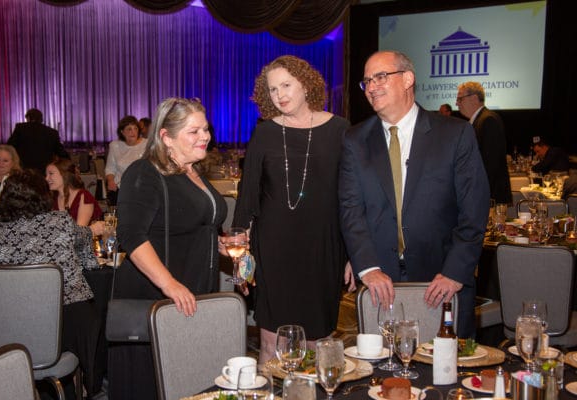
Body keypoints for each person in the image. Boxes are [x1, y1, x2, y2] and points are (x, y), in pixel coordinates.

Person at [339, 50, 489, 338]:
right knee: (383, 364)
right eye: (367, 81)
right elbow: (350, 209)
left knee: (445, 363)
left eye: (380, 77)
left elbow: (474, 210)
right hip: (380, 284)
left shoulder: (454, 134)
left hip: (441, 281)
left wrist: (455, 272)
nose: (371, 87)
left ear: (407, 79)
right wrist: (366, 266)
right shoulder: (355, 140)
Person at [233, 55, 356, 363]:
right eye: (273, 89)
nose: (280, 95)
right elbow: (247, 198)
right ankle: (271, 389)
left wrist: (354, 253)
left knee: (316, 342)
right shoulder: (265, 133)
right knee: (271, 343)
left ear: (306, 84)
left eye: (286, 85)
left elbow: (353, 198)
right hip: (272, 250)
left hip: (323, 248)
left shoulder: (340, 129)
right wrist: (241, 258)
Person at [108, 98, 228, 400]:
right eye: (194, 131)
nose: (205, 137)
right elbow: (131, 235)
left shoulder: (192, 171)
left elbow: (187, 225)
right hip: (156, 296)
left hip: (193, 290)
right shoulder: (144, 172)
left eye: (206, 129)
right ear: (166, 137)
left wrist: (219, 244)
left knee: (188, 380)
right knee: (154, 383)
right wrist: (169, 284)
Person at [0, 169, 105, 397]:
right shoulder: (60, 222)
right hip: (62, 323)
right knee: (92, 312)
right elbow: (87, 251)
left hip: (9, 329)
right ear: (43, 196)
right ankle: (87, 385)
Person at [456, 81, 512, 205]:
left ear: (474, 98)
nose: (456, 103)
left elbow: (490, 164)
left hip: (491, 197)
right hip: (484, 195)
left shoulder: (488, 120)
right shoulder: (478, 121)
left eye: (460, 99)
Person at [7, 108, 69, 175]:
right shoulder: (52, 132)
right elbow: (61, 152)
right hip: (44, 170)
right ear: (41, 119)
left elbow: (9, 146)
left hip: (24, 169)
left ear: (28, 118)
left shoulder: (20, 128)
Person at [104, 115, 147, 206]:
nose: (133, 132)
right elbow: (110, 168)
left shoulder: (147, 144)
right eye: (129, 129)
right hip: (120, 189)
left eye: (135, 128)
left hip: (142, 189)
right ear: (122, 132)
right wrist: (110, 181)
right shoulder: (115, 145)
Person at [46, 157, 103, 226]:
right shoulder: (52, 198)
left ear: (64, 175)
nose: (46, 178)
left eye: (51, 173)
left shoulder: (84, 196)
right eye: (46, 175)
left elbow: (81, 229)